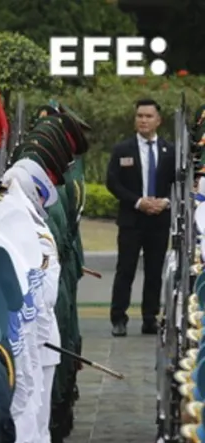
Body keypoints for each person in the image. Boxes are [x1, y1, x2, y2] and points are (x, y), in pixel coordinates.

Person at [106, 98, 176, 337]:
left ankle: (150, 318)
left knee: (154, 270)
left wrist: (164, 202)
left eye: (148, 116)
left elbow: (177, 183)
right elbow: (112, 182)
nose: (143, 120)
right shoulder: (122, 150)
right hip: (131, 220)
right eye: (140, 116)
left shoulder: (170, 150)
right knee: (125, 269)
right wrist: (138, 202)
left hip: (159, 219)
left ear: (158, 120)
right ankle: (118, 318)